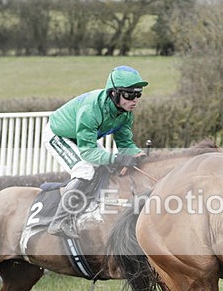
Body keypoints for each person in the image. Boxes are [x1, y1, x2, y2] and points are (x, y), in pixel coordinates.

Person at [43, 65, 148, 236]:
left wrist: (137, 154)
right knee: (85, 170)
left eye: (138, 94)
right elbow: (87, 153)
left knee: (105, 166)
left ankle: (91, 205)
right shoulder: (91, 110)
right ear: (114, 93)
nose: (134, 100)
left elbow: (125, 143)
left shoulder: (125, 113)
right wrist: (118, 158)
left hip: (82, 138)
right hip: (59, 135)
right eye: (129, 95)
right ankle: (59, 220)